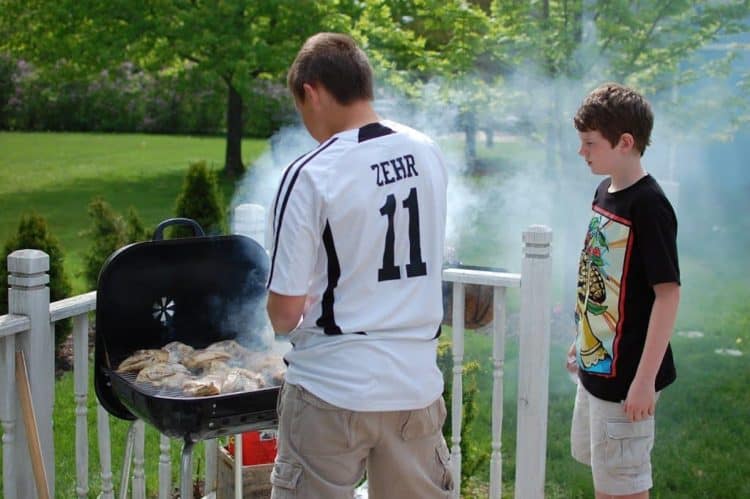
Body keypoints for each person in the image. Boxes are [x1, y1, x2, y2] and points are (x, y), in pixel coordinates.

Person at [265, 32, 453, 499]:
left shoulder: (311, 172)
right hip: (415, 390)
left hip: (333, 392)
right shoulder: (427, 152)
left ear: (311, 91)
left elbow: (285, 313)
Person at [566, 82, 681, 499]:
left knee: (623, 488)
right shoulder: (605, 191)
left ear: (625, 142)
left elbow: (667, 295)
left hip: (629, 377)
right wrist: (581, 341)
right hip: (597, 367)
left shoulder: (649, 206)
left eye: (590, 143)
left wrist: (644, 381)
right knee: (604, 475)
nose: (583, 152)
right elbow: (598, 274)